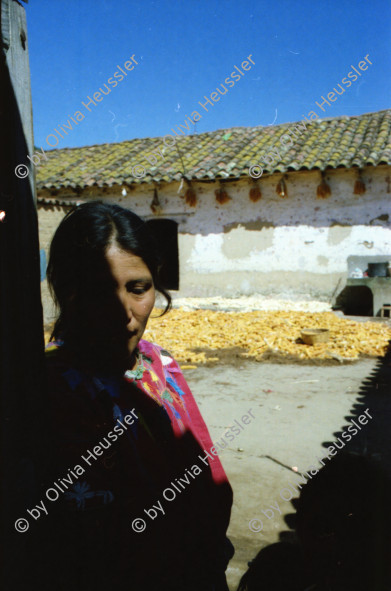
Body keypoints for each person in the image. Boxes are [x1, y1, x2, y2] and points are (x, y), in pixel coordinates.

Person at [32, 201, 234, 591]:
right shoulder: (42, 388)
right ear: (67, 290)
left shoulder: (162, 368)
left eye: (138, 288)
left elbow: (209, 480)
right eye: (99, 290)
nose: (124, 312)